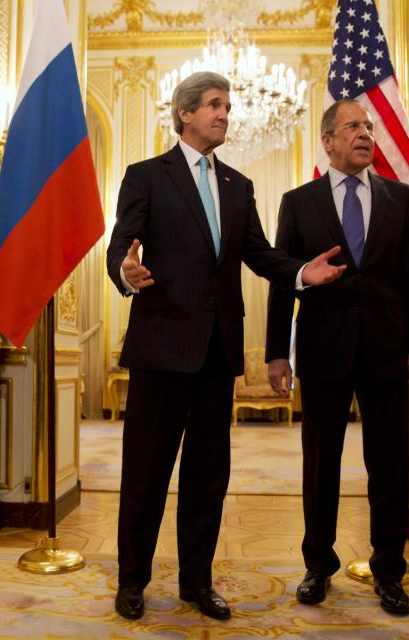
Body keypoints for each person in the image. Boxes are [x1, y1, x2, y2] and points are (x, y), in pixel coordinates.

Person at [105, 71, 346, 621]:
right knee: (145, 473)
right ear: (185, 112)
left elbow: (261, 254)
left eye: (228, 107)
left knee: (208, 477)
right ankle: (132, 581)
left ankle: (196, 582)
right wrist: (126, 269)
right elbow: (123, 243)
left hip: (217, 353)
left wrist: (302, 273)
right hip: (161, 348)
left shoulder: (239, 185)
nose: (225, 114)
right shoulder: (146, 175)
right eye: (214, 105)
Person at [265, 99, 409, 616]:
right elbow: (283, 282)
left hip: (387, 352)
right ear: (328, 141)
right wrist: (277, 354)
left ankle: (389, 571)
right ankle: (318, 565)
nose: (364, 133)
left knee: (387, 466)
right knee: (321, 466)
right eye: (353, 127)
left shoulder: (400, 199)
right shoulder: (299, 202)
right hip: (323, 351)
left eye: (369, 126)